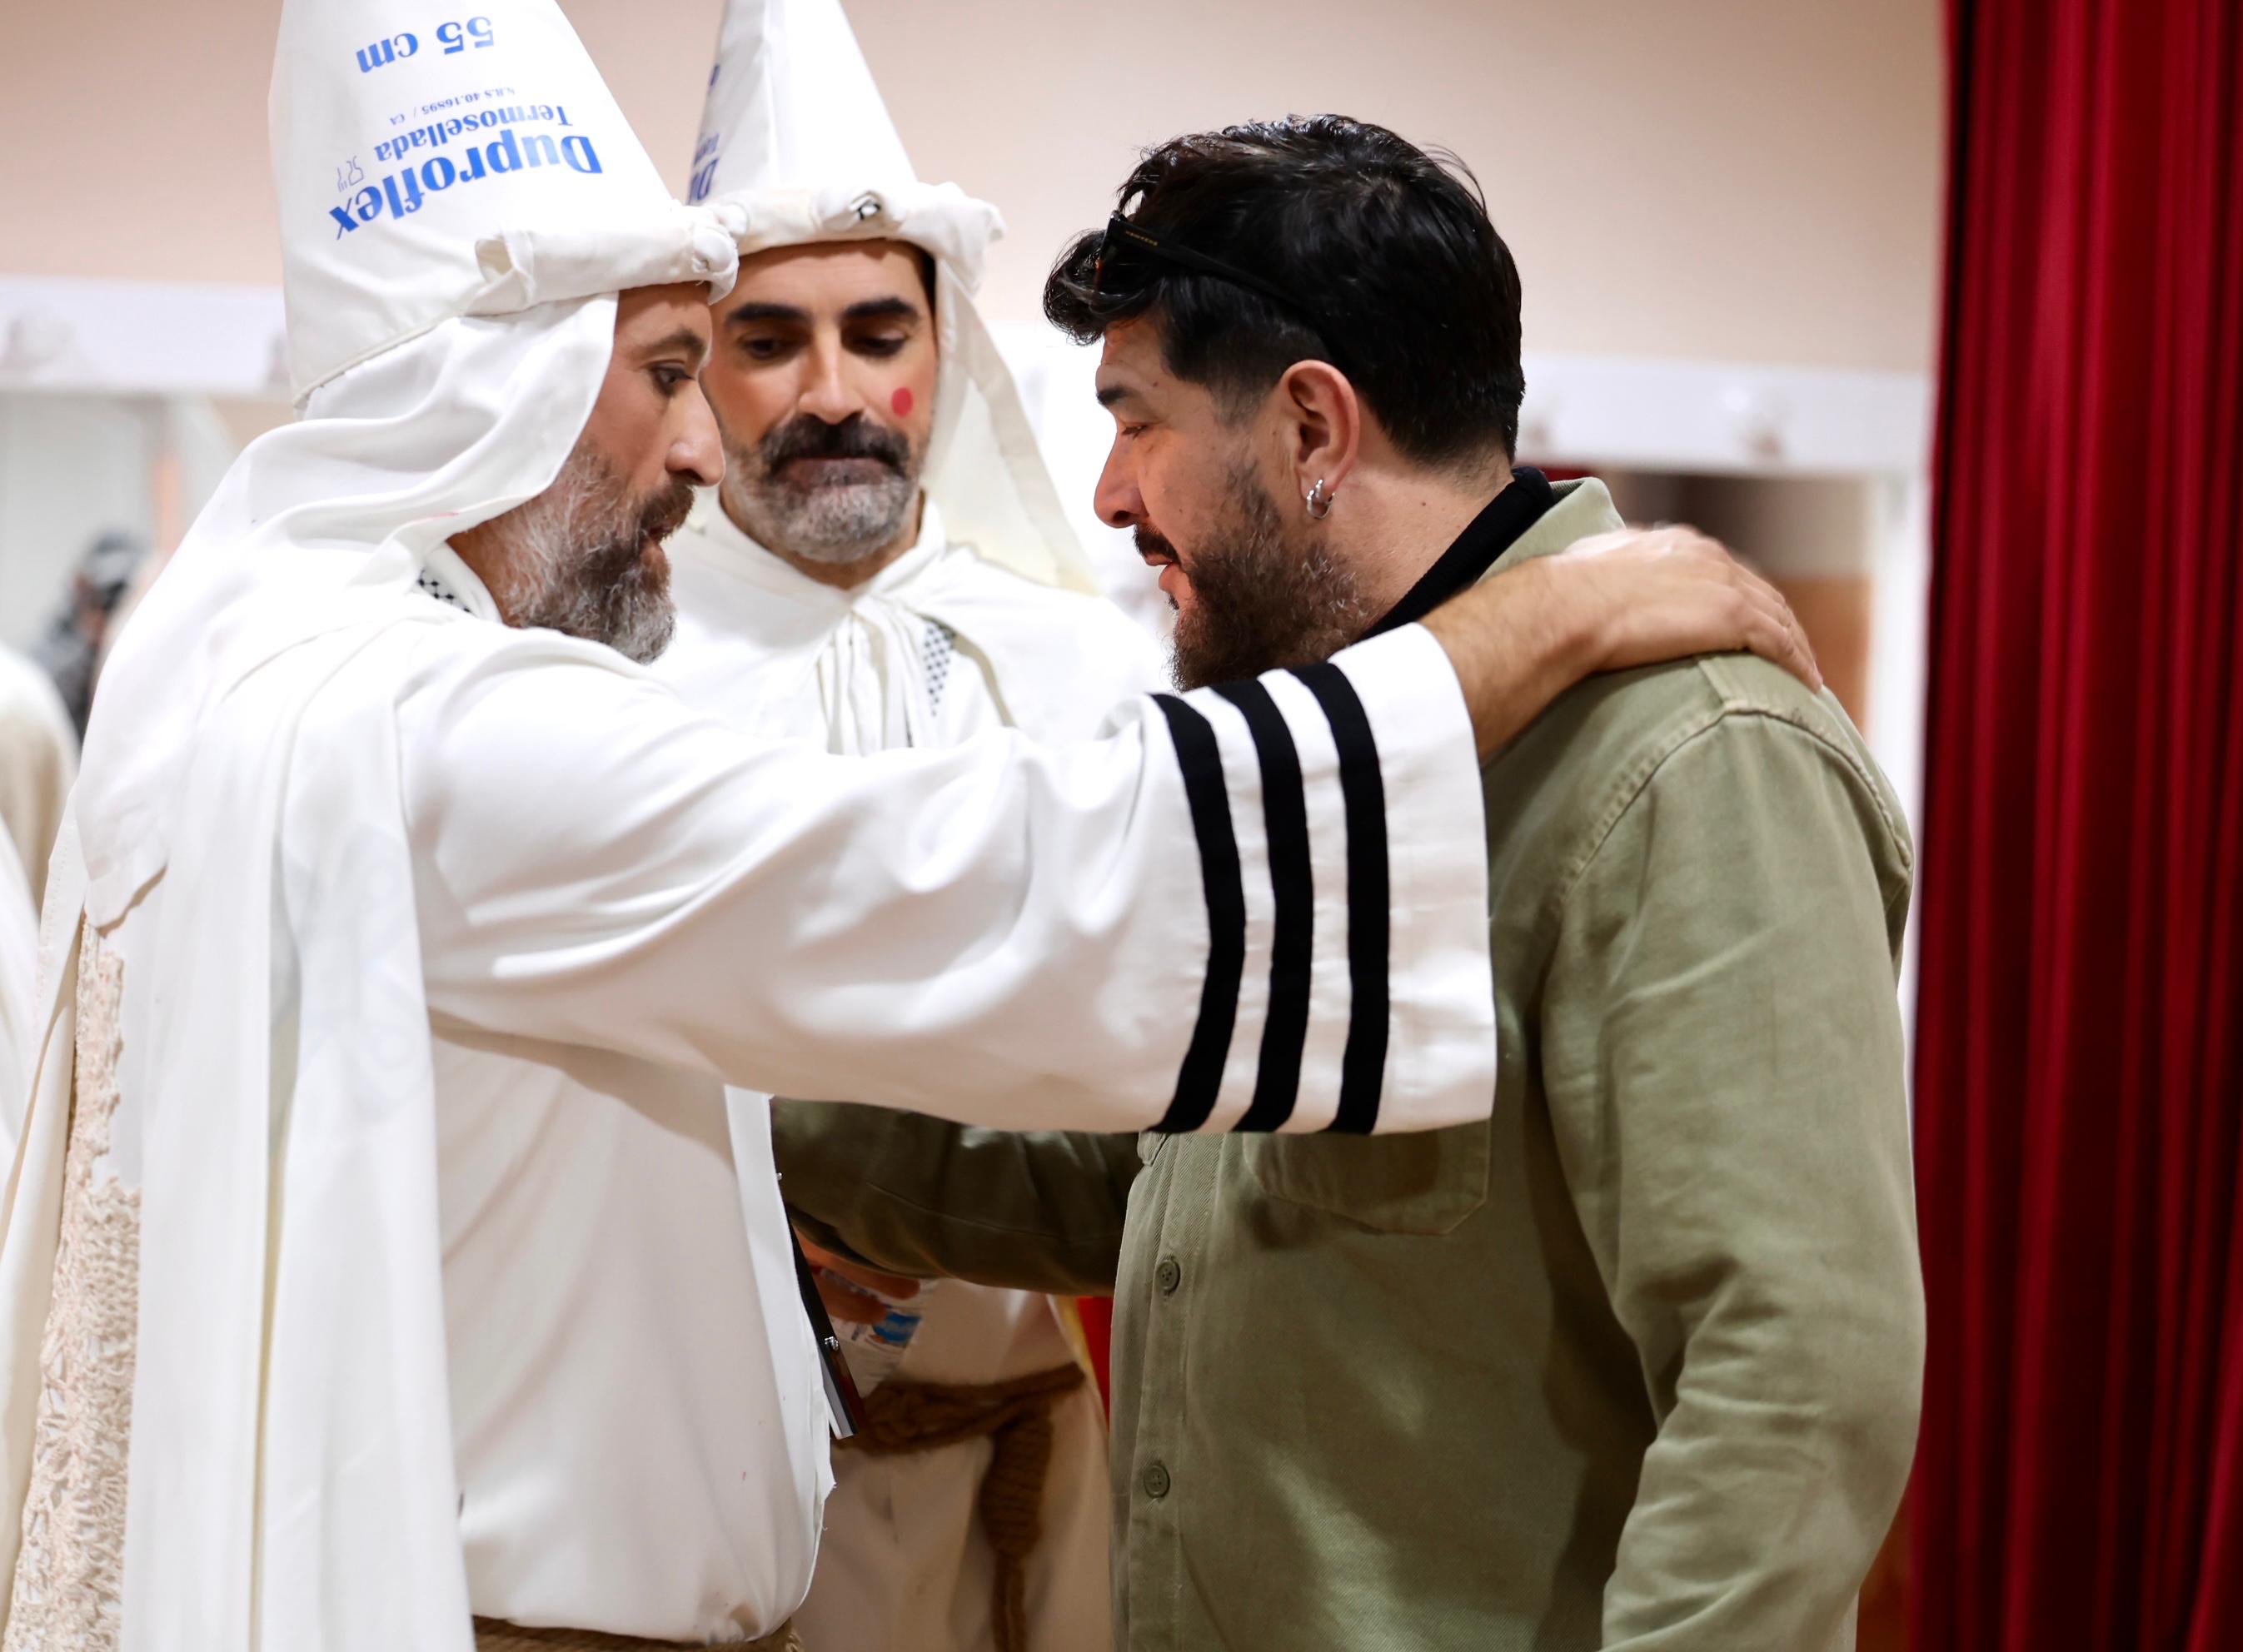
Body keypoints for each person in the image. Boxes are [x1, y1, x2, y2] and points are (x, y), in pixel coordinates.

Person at [0, 13, 1814, 1652]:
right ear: (501, 384)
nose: (705, 444)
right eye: (675, 368)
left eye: (871, 332)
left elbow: (1786, 1355)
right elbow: (992, 870)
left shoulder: (252, 666)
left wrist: (797, 1160)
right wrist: (1521, 627)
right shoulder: (447, 729)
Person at [775, 116, 1923, 1652]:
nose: (1109, 494)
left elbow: (1791, 1375)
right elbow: (1136, 1177)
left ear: (1312, 429)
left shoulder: (1691, 760)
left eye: (1136, 420)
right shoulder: (1327, 766)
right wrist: (733, 1117)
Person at [664, 3, 1151, 1647]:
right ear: (694, 365)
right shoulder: (607, 679)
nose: (833, 393)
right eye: (768, 339)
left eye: (879, 331)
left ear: (946, 349)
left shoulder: (1093, 668)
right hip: (714, 1471)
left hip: (1046, 1462)